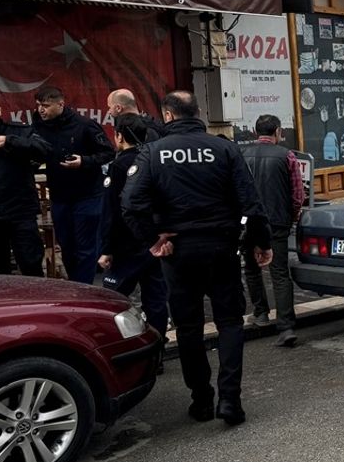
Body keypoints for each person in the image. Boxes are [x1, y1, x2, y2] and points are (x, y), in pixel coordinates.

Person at [122, 91, 273, 425]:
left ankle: (202, 400)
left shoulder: (152, 152)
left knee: (189, 327)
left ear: (168, 115)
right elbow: (251, 201)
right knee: (230, 322)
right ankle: (230, 400)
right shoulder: (224, 148)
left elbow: (131, 203)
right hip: (221, 247)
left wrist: (153, 240)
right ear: (198, 113)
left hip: (178, 253)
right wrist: (260, 242)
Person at [98, 113, 170, 350]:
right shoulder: (153, 160)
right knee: (156, 299)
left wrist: (106, 248)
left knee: (110, 299)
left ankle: (113, 349)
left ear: (118, 136)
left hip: (127, 244)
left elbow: (112, 211)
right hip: (155, 240)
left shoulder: (119, 166)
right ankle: (157, 346)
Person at [32, 86, 115, 284]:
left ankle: (83, 287)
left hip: (87, 195)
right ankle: (74, 282)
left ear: (60, 104)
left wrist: (84, 161)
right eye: (38, 106)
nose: (41, 110)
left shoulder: (84, 125)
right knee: (66, 245)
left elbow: (108, 152)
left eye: (45, 105)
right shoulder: (38, 126)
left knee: (85, 247)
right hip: (60, 196)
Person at [241, 114, 304, 346]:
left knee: (251, 268)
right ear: (277, 131)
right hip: (277, 221)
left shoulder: (241, 154)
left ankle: (260, 313)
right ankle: (286, 326)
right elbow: (298, 194)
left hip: (247, 221)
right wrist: (294, 215)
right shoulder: (286, 155)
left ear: (256, 132)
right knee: (279, 272)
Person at [0, 90, 51, 276]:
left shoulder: (20, 131)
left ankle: (37, 304)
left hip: (20, 214)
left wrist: (9, 141)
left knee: (31, 265)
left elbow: (45, 150)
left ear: (0, 110)